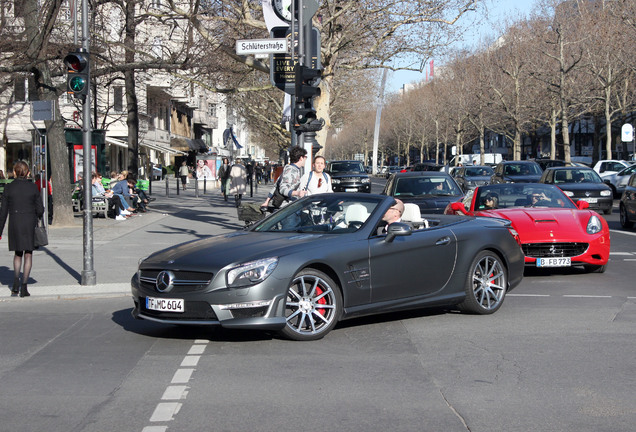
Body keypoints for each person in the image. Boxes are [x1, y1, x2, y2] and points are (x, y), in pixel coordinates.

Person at [0, 161, 44, 297]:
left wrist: (0, 231)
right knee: (28, 254)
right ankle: (24, 286)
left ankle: (15, 284)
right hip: (29, 222)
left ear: (14, 172)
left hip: (15, 222)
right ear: (28, 173)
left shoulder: (9, 188)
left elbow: (3, 212)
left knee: (18, 253)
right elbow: (40, 209)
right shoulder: (32, 188)